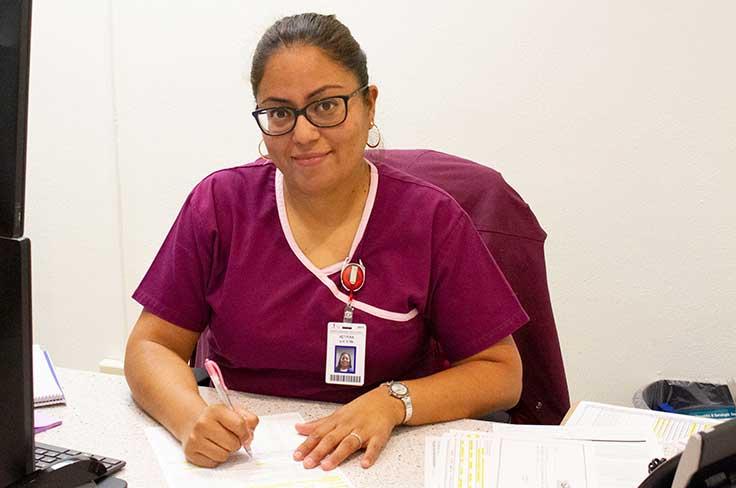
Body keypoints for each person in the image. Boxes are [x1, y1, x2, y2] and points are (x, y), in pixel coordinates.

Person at [124, 12, 528, 472]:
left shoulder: (430, 219)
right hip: (248, 459)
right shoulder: (220, 205)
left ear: (369, 105)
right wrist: (192, 419)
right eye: (280, 112)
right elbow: (150, 346)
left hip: (382, 457)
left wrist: (394, 401)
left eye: (326, 105)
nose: (303, 134)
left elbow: (501, 373)